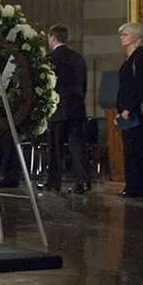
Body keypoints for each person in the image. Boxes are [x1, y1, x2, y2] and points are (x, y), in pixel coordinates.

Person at [43, 24, 89, 194]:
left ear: (52, 37)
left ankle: (53, 183)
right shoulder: (78, 58)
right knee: (77, 147)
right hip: (77, 108)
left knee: (55, 149)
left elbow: (46, 86)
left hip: (57, 110)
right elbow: (83, 84)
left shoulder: (49, 59)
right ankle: (82, 182)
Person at [115, 22, 143, 198]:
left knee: (135, 149)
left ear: (136, 37)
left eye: (125, 34)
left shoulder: (140, 56)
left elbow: (139, 85)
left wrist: (127, 109)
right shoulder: (131, 57)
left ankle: (137, 188)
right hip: (126, 110)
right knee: (129, 148)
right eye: (122, 34)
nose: (122, 37)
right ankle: (131, 186)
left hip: (133, 111)